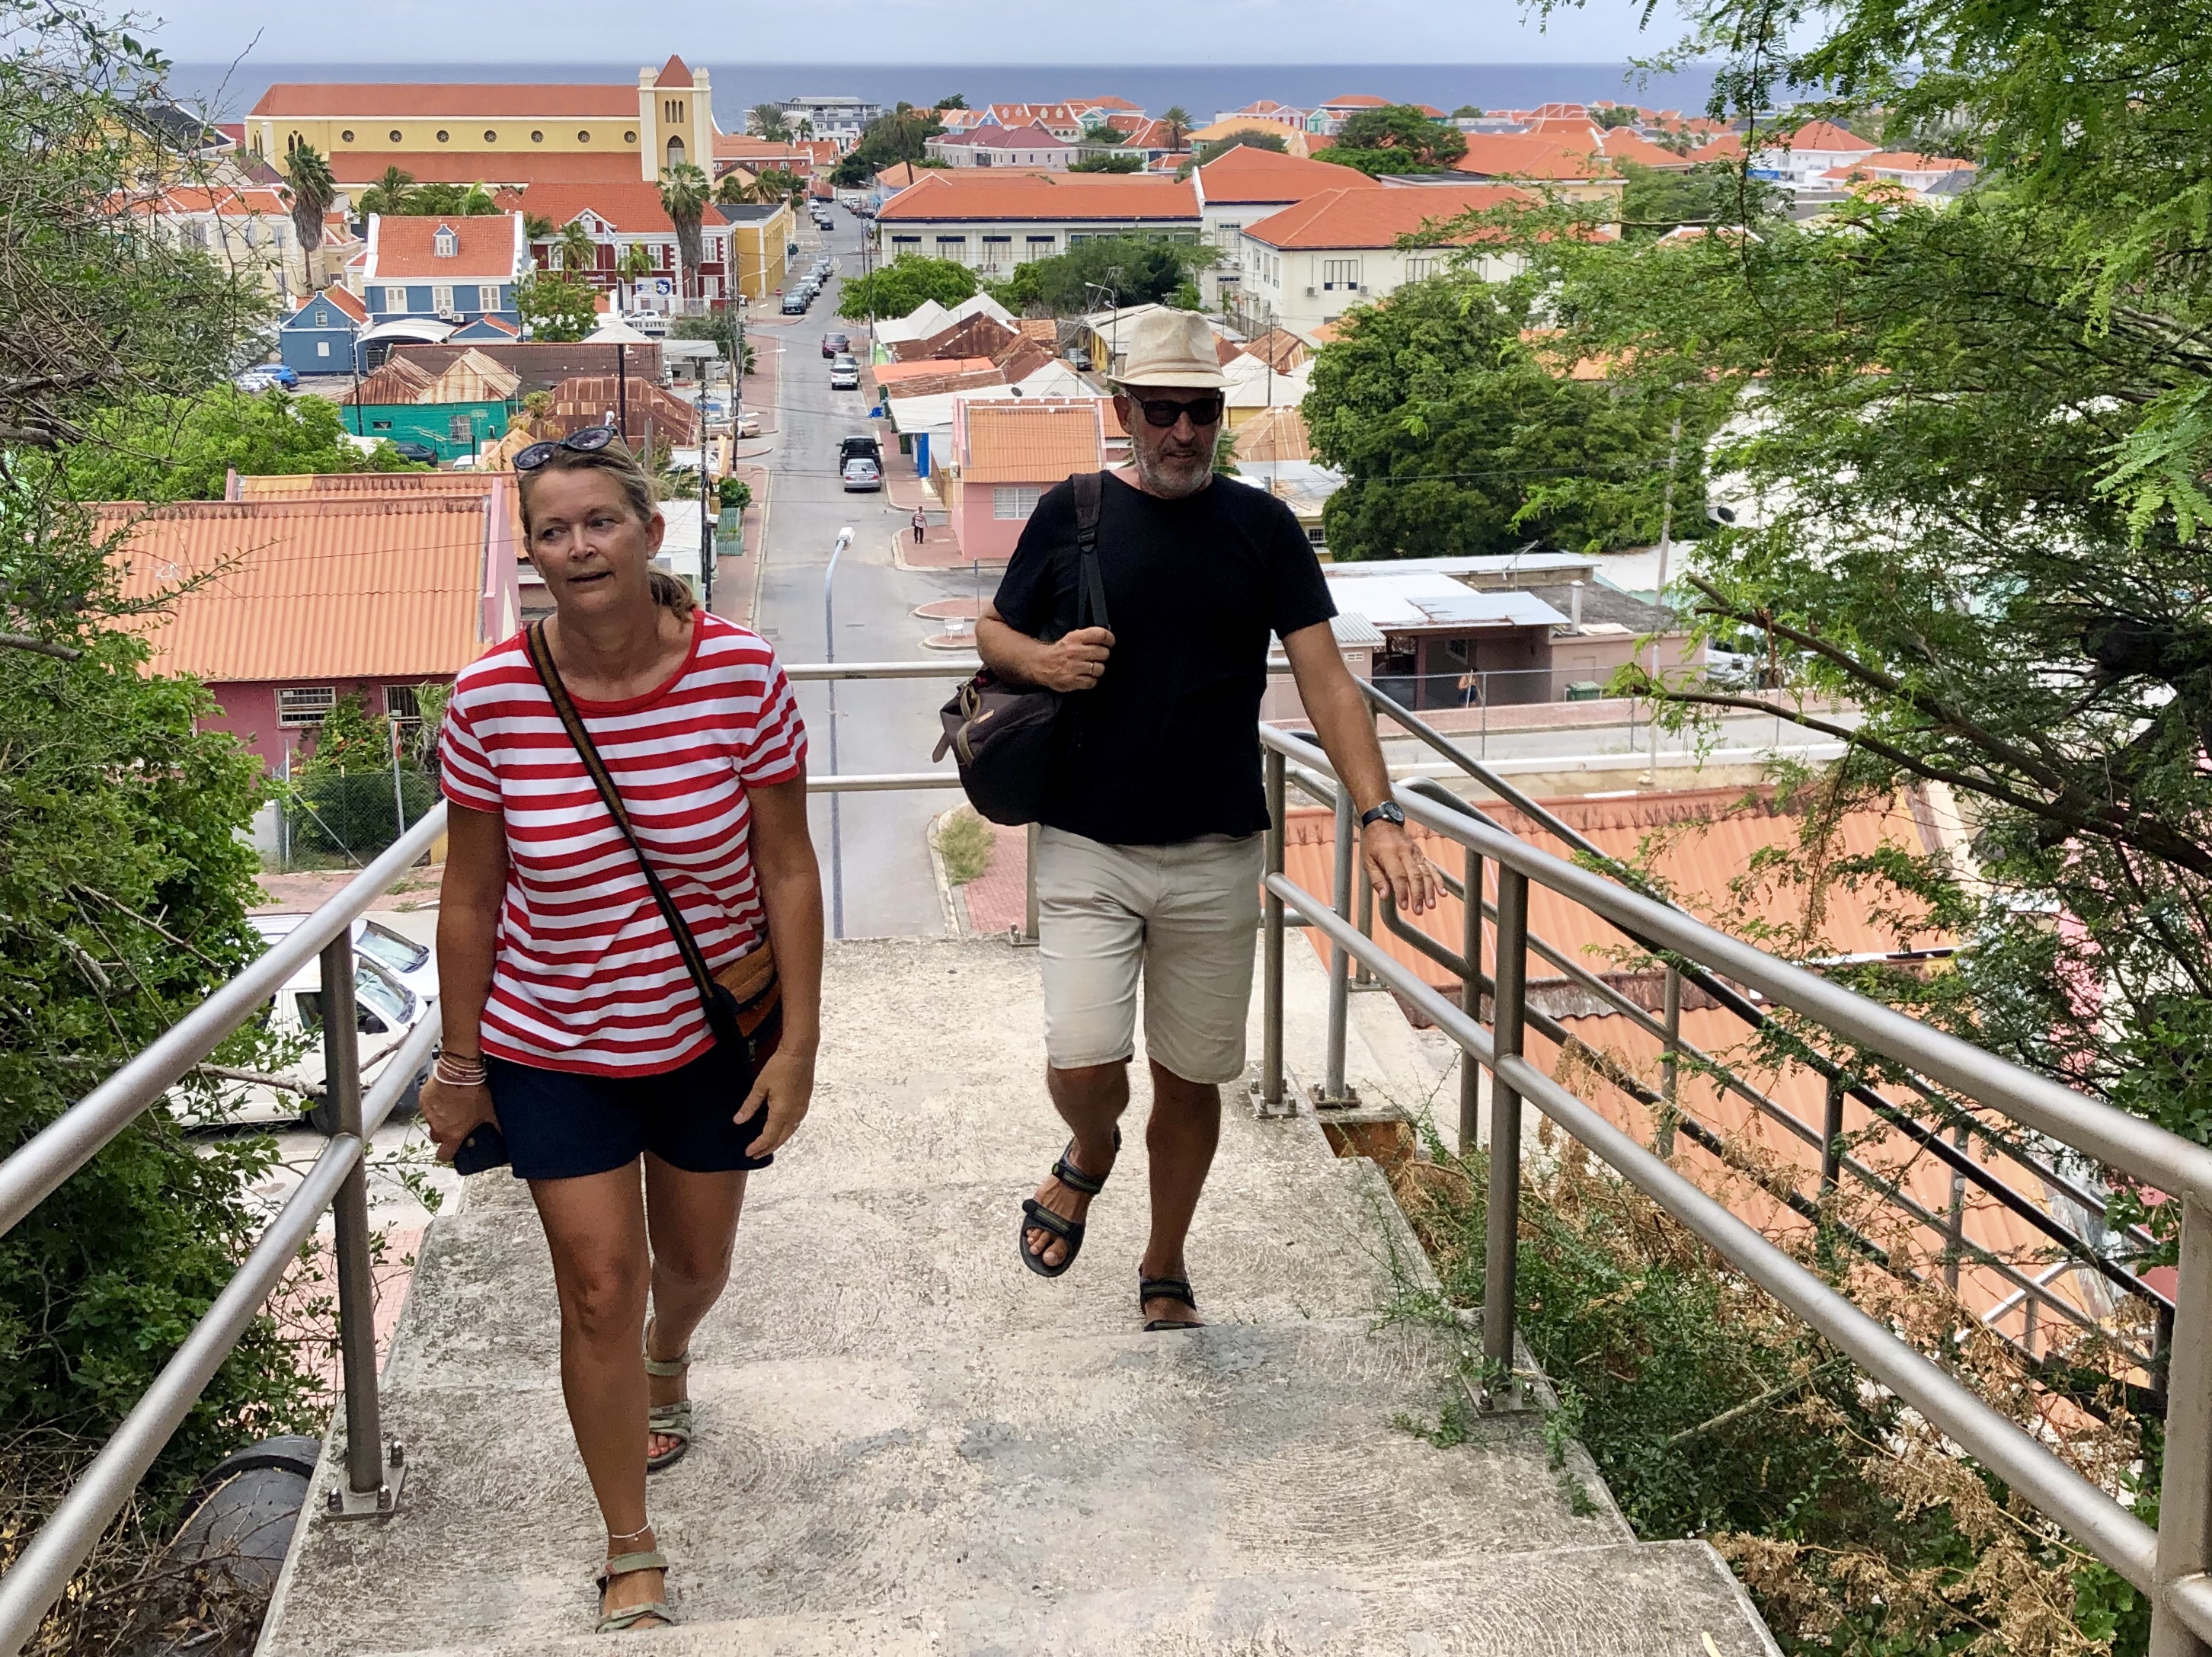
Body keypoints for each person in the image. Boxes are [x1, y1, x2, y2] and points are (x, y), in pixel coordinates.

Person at [419, 428, 823, 1635]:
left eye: (601, 521)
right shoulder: (491, 698)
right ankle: (628, 1542)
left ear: (650, 532)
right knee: (599, 1287)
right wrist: (459, 1063)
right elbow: (470, 895)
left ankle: (672, 1353)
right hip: (551, 1041)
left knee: (691, 1272)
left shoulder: (740, 674)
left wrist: (798, 1046)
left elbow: (788, 868)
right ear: (533, 554)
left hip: (706, 1036)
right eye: (553, 530)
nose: (579, 547)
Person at [975, 309, 1439, 1333]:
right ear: (1124, 411)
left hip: (1218, 851)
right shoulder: (1072, 510)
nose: (1183, 431)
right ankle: (1090, 1146)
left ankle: (1165, 1260)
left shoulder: (1262, 528)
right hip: (1087, 840)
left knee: (1191, 1081)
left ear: (1221, 415)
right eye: (1162, 410)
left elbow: (1328, 683)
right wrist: (1043, 662)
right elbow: (992, 631)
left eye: (1202, 411)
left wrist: (1379, 812)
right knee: (1084, 1061)